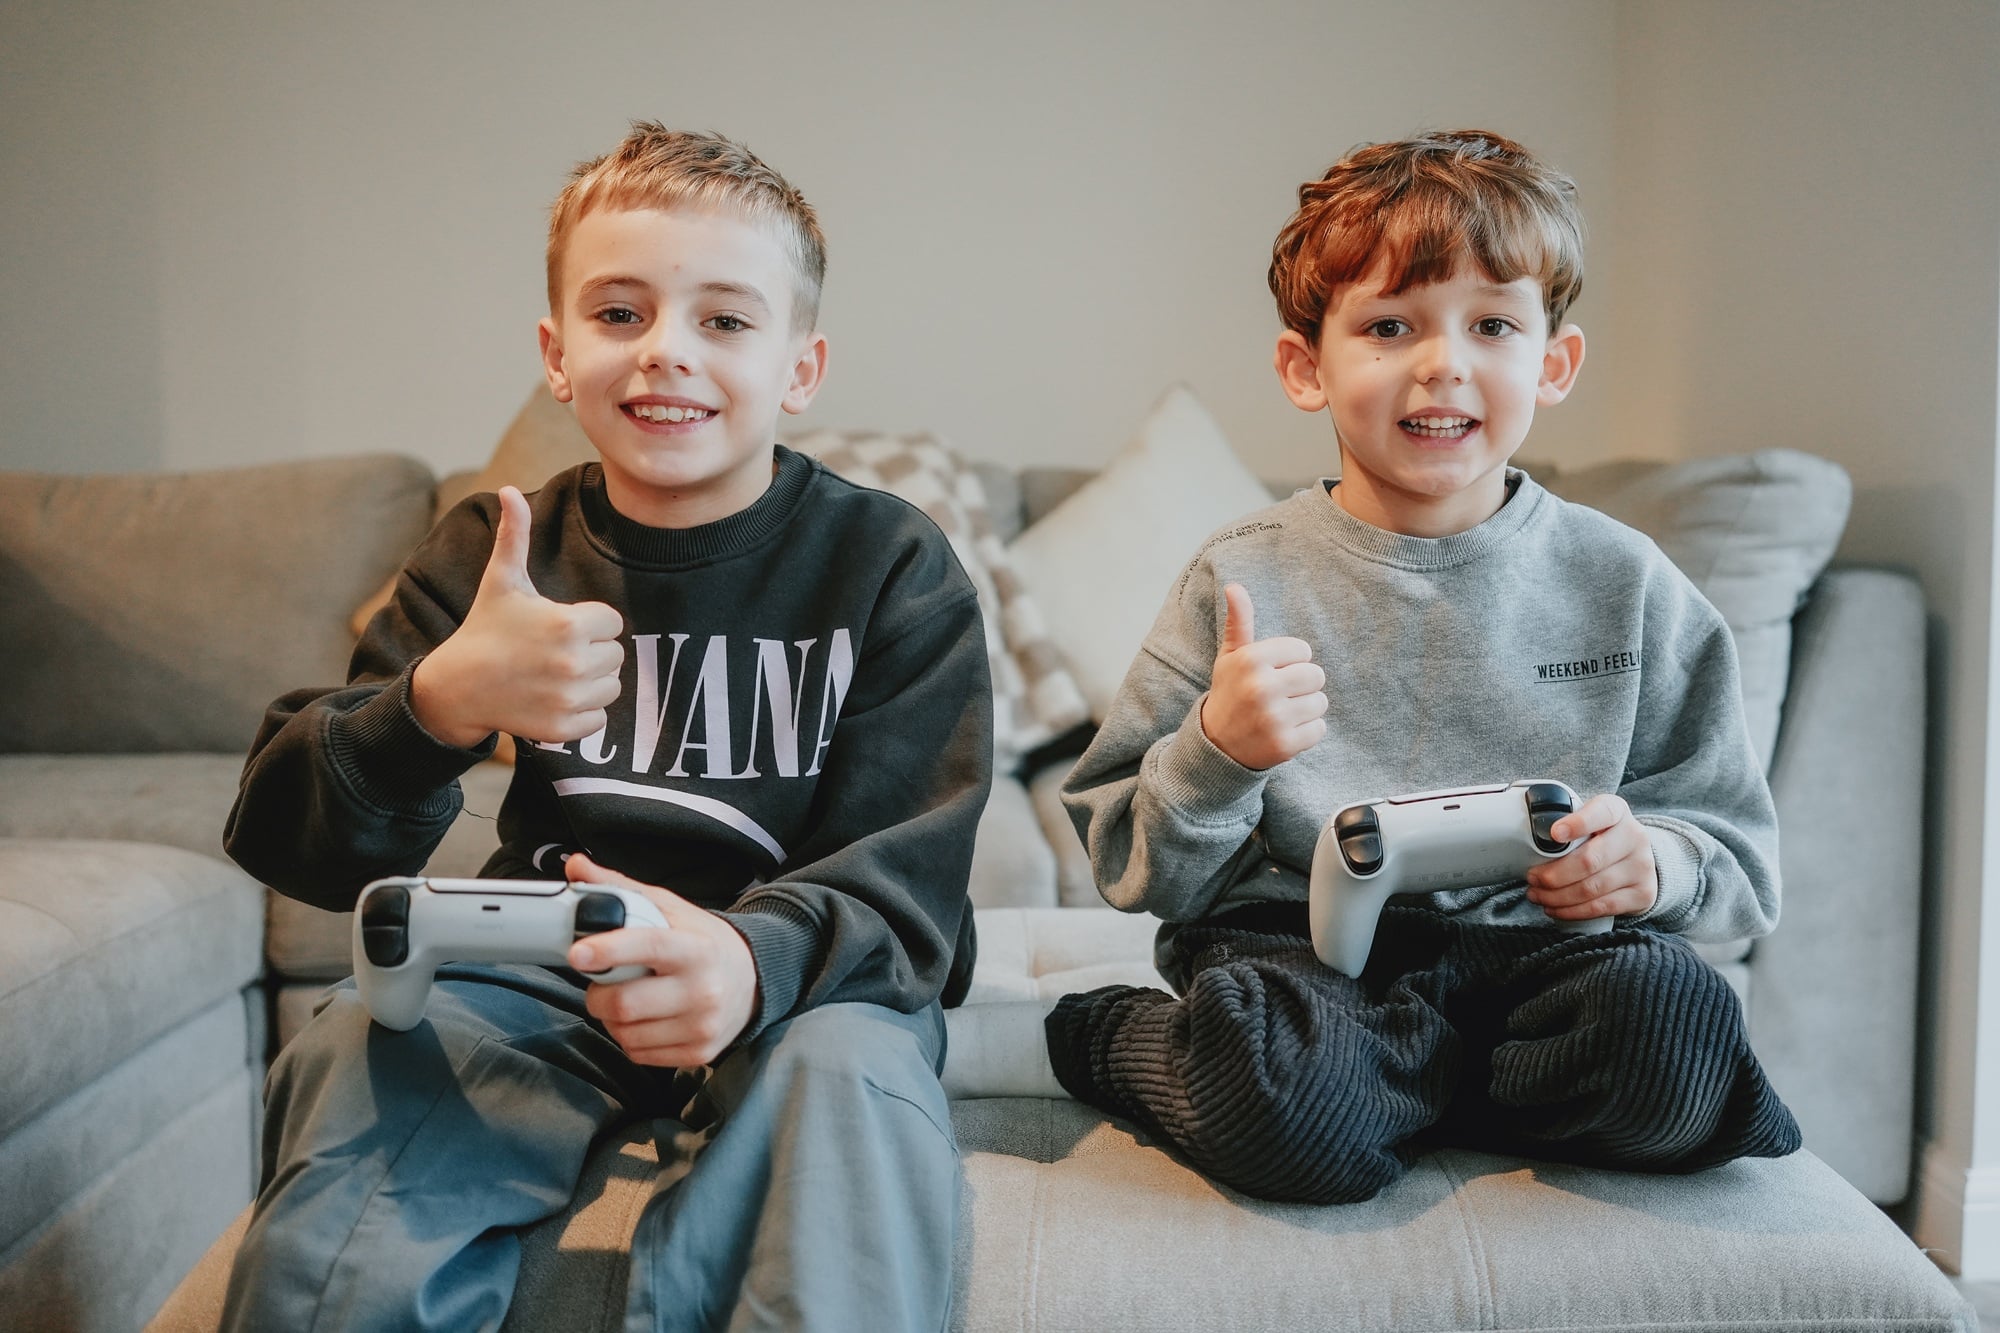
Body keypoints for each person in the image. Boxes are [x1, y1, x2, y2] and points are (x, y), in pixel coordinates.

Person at [220, 123, 992, 1331]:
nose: (665, 350)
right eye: (619, 313)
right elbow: (285, 840)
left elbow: (909, 888)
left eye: (724, 320)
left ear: (800, 368)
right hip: (541, 969)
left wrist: (744, 962)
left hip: (806, 983)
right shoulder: (495, 552)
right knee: (363, 1049)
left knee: (852, 1083)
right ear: (557, 354)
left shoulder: (891, 564)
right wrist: (438, 704)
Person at [1042, 129, 1801, 1205]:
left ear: (1552, 363)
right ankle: (1114, 1035)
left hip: (1544, 963)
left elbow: (1737, 855)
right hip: (1309, 962)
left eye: (1492, 324)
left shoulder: (1625, 579)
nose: (1443, 363)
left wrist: (1656, 864)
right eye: (1389, 326)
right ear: (1306, 367)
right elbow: (1130, 864)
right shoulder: (1240, 574)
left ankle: (1399, 1091)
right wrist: (1216, 752)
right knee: (1280, 1097)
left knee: (1671, 1033)